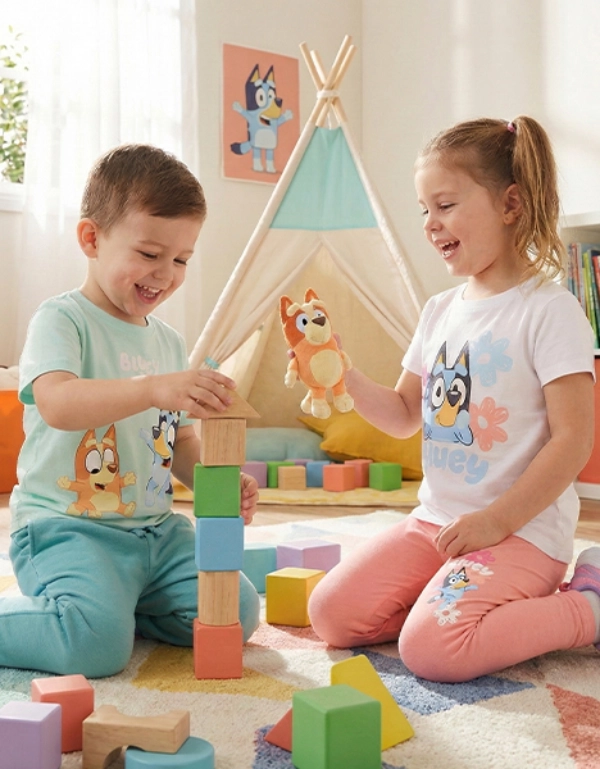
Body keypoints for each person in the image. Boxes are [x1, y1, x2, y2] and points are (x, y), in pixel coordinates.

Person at [308, 116, 600, 683]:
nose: (429, 223)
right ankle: (447, 597)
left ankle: (586, 608)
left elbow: (574, 441)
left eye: (443, 205)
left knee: (434, 650)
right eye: (423, 209)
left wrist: (496, 521)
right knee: (331, 615)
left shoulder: (550, 310)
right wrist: (342, 375)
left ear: (510, 205)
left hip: (520, 534)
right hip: (438, 524)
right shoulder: (439, 310)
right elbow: (400, 416)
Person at [2, 144, 260, 678]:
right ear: (92, 239)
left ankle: (118, 605)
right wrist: (150, 389)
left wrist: (217, 482)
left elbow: (181, 442)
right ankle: (100, 613)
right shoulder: (61, 320)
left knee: (233, 610)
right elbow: (57, 403)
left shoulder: (167, 341)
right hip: (68, 528)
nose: (165, 274)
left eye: (182, 259)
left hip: (156, 533)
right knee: (93, 649)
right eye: (149, 254)